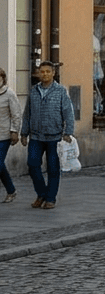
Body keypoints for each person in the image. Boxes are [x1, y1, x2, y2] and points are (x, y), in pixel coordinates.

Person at [19, 60, 75, 209]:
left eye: (47, 71)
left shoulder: (61, 91)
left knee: (53, 168)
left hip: (55, 137)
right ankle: (41, 193)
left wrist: (68, 132)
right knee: (32, 165)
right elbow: (27, 114)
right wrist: (23, 133)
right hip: (36, 136)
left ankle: (50, 198)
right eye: (42, 71)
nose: (44, 74)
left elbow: (68, 113)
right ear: (38, 73)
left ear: (53, 73)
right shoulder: (33, 91)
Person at [0, 68, 23, 203]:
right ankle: (11, 190)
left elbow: (16, 114)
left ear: (3, 79)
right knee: (1, 165)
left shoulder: (9, 94)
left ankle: (11, 190)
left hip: (4, 135)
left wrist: (15, 131)